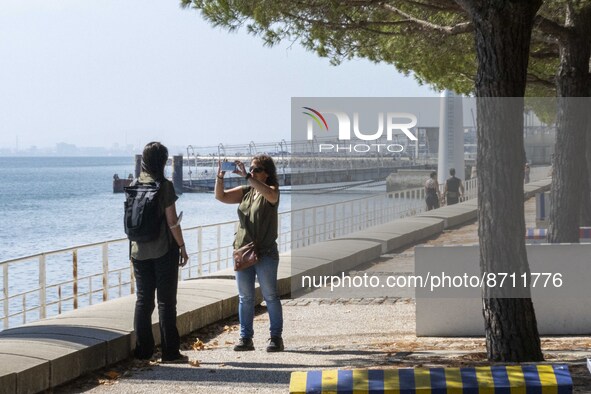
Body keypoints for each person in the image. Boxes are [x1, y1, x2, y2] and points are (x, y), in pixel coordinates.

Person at [215, 154, 284, 352]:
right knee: (245, 297)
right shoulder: (246, 192)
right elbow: (221, 196)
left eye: (256, 169)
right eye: (251, 169)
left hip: (266, 253)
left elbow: (271, 196)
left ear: (267, 174)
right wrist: (220, 177)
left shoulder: (271, 191)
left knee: (270, 296)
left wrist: (247, 177)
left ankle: (276, 338)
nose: (252, 171)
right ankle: (246, 338)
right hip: (243, 252)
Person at [131, 142, 189, 363]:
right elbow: (172, 222)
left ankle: (143, 352)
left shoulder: (135, 183)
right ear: (163, 162)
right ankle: (170, 352)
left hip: (138, 250)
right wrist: (182, 246)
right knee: (166, 302)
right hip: (163, 250)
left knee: (143, 301)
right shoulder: (164, 186)